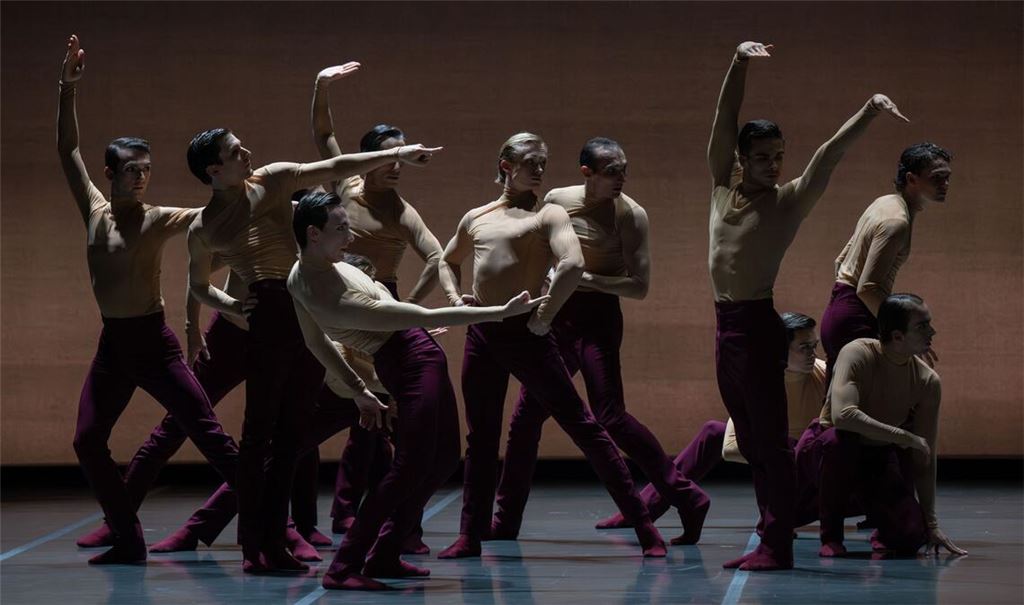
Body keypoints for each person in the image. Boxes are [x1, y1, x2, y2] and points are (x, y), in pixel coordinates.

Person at [184, 119, 440, 572]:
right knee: (256, 433)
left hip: (305, 307)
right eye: (235, 150)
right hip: (267, 318)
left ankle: (277, 542)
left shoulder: (274, 178)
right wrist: (234, 307)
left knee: (290, 438)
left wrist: (396, 155)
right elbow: (199, 286)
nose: (247, 152)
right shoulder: (205, 226)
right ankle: (252, 547)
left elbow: (338, 163)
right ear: (213, 169)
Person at [706, 40, 908, 570]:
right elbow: (724, 120)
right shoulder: (722, 187)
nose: (773, 165)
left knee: (770, 443)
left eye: (778, 157)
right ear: (742, 159)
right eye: (762, 157)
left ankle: (776, 545)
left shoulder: (789, 200)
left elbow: (829, 156)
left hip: (755, 324)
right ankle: (771, 531)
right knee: (749, 440)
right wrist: (739, 61)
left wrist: (868, 111)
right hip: (723, 327)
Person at [287, 190, 547, 590]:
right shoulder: (335, 296)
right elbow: (424, 316)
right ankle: (344, 567)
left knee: (444, 459)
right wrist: (499, 312)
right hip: (409, 362)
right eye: (341, 229)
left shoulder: (304, 272)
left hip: (418, 357)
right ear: (313, 234)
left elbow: (316, 343)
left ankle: (386, 552)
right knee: (409, 465)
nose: (351, 238)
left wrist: (359, 390)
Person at [436, 132, 666, 560]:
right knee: (482, 437)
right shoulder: (477, 216)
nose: (540, 170)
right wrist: (456, 302)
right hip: (484, 333)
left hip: (527, 334)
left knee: (584, 426)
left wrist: (543, 317)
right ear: (506, 165)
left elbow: (573, 263)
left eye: (543, 162)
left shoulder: (549, 214)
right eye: (531, 162)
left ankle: (645, 528)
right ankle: (470, 534)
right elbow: (446, 261)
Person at [56, 34, 239, 565]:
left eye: (146, 170)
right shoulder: (94, 209)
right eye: (131, 170)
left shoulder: (158, 218)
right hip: (114, 348)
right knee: (87, 442)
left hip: (155, 343)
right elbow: (67, 150)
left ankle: (273, 523)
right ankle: (128, 538)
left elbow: (214, 222)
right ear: (111, 173)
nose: (140, 177)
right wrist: (66, 89)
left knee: (209, 436)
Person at [490, 138, 709, 545]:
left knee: (610, 415)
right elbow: (539, 251)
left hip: (598, 319)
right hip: (557, 316)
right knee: (525, 420)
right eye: (612, 171)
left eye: (624, 170)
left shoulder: (631, 215)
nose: (621, 178)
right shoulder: (557, 198)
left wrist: (583, 277)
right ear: (587, 172)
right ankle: (505, 522)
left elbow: (639, 287)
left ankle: (685, 496)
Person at [310, 64, 445, 544]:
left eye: (401, 158)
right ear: (367, 161)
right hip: (343, 314)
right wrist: (322, 86)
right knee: (359, 413)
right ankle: (351, 515)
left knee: (382, 417)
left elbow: (437, 255)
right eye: (388, 157)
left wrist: (413, 305)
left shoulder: (403, 211)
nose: (396, 165)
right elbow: (325, 134)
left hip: (381, 315)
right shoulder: (345, 189)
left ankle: (383, 519)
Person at [595, 312, 827, 531]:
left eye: (814, 346)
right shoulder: (759, 378)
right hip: (775, 451)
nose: (812, 354)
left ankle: (782, 518)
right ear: (779, 348)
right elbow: (733, 444)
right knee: (714, 432)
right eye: (804, 347)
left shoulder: (825, 373)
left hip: (810, 461)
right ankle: (641, 510)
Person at [804, 294, 967, 558]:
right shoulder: (856, 353)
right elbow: (843, 416)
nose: (932, 332)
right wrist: (903, 435)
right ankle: (830, 535)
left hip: (875, 459)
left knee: (912, 536)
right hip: (827, 459)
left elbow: (924, 456)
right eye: (922, 326)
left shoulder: (927, 382)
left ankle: (881, 522)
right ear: (897, 336)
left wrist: (931, 523)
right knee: (837, 442)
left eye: (930, 323)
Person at [821, 143, 952, 385]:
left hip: (843, 310)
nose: (945, 184)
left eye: (947, 177)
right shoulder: (896, 221)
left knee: (842, 408)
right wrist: (906, 333)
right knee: (866, 409)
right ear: (912, 179)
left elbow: (840, 261)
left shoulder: (883, 202)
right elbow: (868, 288)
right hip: (857, 316)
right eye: (937, 178)